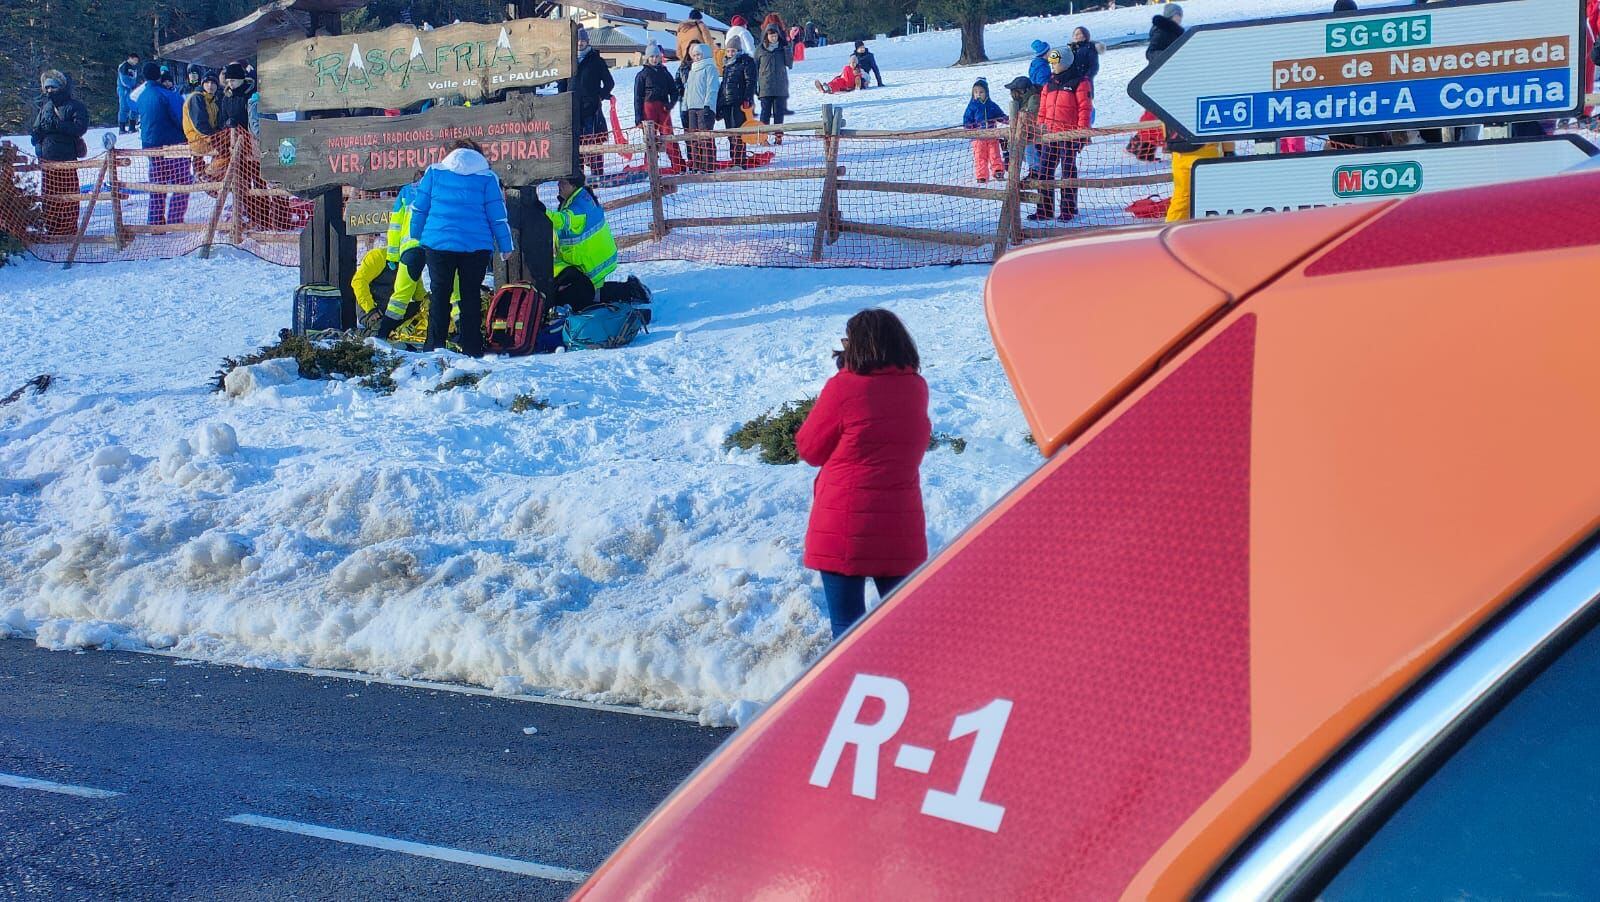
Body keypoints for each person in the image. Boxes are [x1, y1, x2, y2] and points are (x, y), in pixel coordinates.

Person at [796, 308, 931, 639]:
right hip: (900, 526)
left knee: (847, 632)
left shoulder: (844, 388)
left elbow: (809, 449)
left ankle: (852, 690)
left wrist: (843, 380)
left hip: (844, 524)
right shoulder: (916, 388)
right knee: (904, 631)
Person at [408, 138, 513, 356]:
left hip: (438, 243)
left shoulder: (434, 172)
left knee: (439, 295)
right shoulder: (487, 177)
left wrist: (416, 234)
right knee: (470, 297)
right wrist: (505, 245)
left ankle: (434, 346)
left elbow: (419, 208)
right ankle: (472, 349)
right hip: (476, 245)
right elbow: (497, 215)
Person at [1032, 47, 1091, 222]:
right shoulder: (1048, 84)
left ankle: (1068, 209)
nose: (1052, 66)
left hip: (1068, 135)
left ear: (1064, 63)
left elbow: (1084, 109)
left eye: (1055, 63)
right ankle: (1044, 209)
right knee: (1044, 172)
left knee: (1068, 171)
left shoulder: (1079, 82)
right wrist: (1039, 131)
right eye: (1051, 63)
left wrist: (1082, 133)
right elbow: (1042, 110)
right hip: (1050, 135)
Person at [546, 173, 618, 312]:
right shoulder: (579, 197)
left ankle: (629, 291)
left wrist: (541, 211)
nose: (558, 185)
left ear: (573, 185)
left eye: (563, 182)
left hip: (591, 265)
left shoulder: (578, 207)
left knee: (587, 297)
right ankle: (629, 290)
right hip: (593, 261)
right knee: (594, 295)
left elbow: (563, 221)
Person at [30, 70, 90, 236]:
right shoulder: (46, 107)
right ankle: (52, 228)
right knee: (50, 196)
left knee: (68, 195)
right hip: (48, 159)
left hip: (67, 159)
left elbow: (80, 128)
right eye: (47, 87)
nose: (49, 91)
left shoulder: (74, 106)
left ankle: (69, 229)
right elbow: (36, 128)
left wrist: (58, 126)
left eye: (53, 87)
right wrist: (36, 134)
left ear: (61, 87)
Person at [135, 61, 192, 226]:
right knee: (182, 181)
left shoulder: (142, 95)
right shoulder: (168, 95)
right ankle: (175, 219)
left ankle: (155, 221)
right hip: (173, 144)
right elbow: (181, 119)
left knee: (157, 183)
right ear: (159, 75)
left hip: (150, 145)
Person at [1129, 3, 1183, 162]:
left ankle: (1144, 148)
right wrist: (1169, 59)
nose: (1180, 17)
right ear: (1171, 15)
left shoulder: (1174, 31)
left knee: (1161, 113)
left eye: (1180, 15)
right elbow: (1151, 52)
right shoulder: (1163, 30)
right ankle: (1141, 147)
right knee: (1156, 113)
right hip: (1160, 77)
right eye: (1177, 14)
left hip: (1170, 76)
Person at [560, 28, 614, 180]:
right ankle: (579, 178)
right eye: (577, 40)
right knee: (575, 144)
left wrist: (600, 96)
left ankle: (597, 175)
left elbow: (609, 82)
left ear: (587, 41)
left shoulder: (596, 60)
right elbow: (562, 85)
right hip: (572, 109)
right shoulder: (568, 61)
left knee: (593, 142)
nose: (580, 43)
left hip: (591, 109)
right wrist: (562, 101)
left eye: (582, 40)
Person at [633, 43, 685, 173]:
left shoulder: (664, 72)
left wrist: (670, 104)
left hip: (663, 108)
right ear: (647, 58)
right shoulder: (642, 74)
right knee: (650, 138)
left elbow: (674, 91)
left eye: (656, 56)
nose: (654, 59)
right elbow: (638, 97)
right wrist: (638, 117)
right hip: (648, 108)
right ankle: (650, 166)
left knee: (668, 135)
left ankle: (678, 165)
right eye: (652, 57)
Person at [718, 36, 758, 167]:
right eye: (728, 51)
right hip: (727, 102)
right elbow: (724, 84)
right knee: (730, 131)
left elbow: (750, 81)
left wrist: (747, 98)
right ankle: (734, 158)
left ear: (738, 50)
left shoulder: (745, 62)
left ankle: (740, 160)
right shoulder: (727, 66)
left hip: (739, 101)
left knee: (739, 132)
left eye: (733, 51)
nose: (730, 53)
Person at [680, 42, 720, 171]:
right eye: (695, 55)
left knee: (705, 138)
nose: (697, 57)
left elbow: (712, 88)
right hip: (692, 108)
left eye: (699, 55)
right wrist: (684, 107)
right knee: (694, 139)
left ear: (705, 54)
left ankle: (708, 166)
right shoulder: (692, 70)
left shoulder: (710, 68)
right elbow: (687, 90)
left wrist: (708, 104)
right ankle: (696, 165)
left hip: (704, 108)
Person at [963, 79, 1008, 183]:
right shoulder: (972, 107)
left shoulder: (991, 105)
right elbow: (967, 120)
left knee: (994, 154)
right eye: (976, 92)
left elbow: (1000, 115)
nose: (978, 94)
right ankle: (981, 175)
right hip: (978, 138)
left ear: (986, 93)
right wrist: (971, 129)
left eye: (981, 92)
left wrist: (1007, 120)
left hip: (992, 135)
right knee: (980, 156)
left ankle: (998, 171)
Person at [754, 25, 791, 140]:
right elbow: (755, 68)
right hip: (765, 86)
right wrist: (755, 85)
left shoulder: (782, 48)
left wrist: (787, 50)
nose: (773, 38)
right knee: (765, 113)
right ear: (766, 36)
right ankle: (763, 138)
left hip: (780, 86)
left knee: (778, 113)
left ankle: (778, 137)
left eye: (775, 36)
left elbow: (789, 64)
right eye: (771, 36)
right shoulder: (760, 49)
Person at [183, 72, 222, 179]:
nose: (210, 85)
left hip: (206, 138)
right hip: (198, 139)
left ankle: (205, 174)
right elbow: (200, 124)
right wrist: (215, 138)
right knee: (225, 153)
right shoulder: (197, 98)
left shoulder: (212, 100)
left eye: (213, 83)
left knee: (226, 149)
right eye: (207, 82)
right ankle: (206, 175)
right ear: (202, 84)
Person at [1069, 27, 1100, 125]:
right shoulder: (1071, 49)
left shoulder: (1090, 48)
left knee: (1086, 105)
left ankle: (1088, 125)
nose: (1077, 36)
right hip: (1072, 82)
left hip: (1085, 82)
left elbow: (1094, 66)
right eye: (1076, 34)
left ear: (1085, 36)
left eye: (1080, 34)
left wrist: (1086, 77)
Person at [676, 9, 716, 75]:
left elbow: (678, 51)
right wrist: (710, 57)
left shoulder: (681, 29)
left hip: (687, 60)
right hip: (699, 59)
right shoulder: (700, 26)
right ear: (699, 18)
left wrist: (684, 59)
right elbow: (709, 43)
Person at [117, 53, 142, 134]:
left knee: (134, 107)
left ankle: (132, 126)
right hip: (124, 90)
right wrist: (131, 86)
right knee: (124, 108)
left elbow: (134, 78)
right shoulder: (124, 66)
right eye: (135, 60)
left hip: (133, 89)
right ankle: (122, 128)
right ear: (130, 58)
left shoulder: (134, 67)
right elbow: (124, 80)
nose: (136, 62)